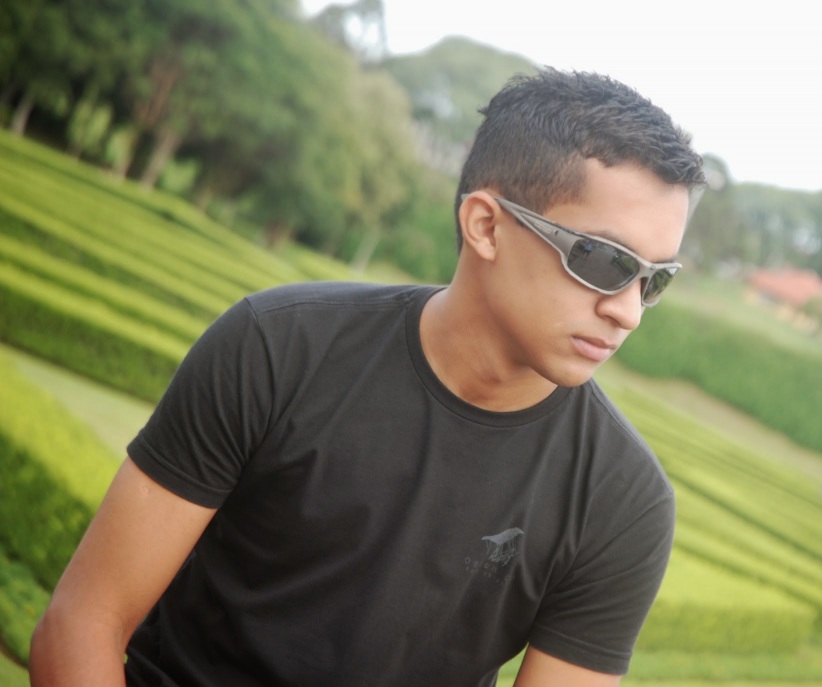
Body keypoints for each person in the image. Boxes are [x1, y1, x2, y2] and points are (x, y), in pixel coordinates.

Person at [30, 68, 706, 686]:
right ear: (486, 226)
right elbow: (82, 624)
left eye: (654, 280)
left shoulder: (623, 500)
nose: (627, 312)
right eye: (605, 261)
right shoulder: (277, 347)